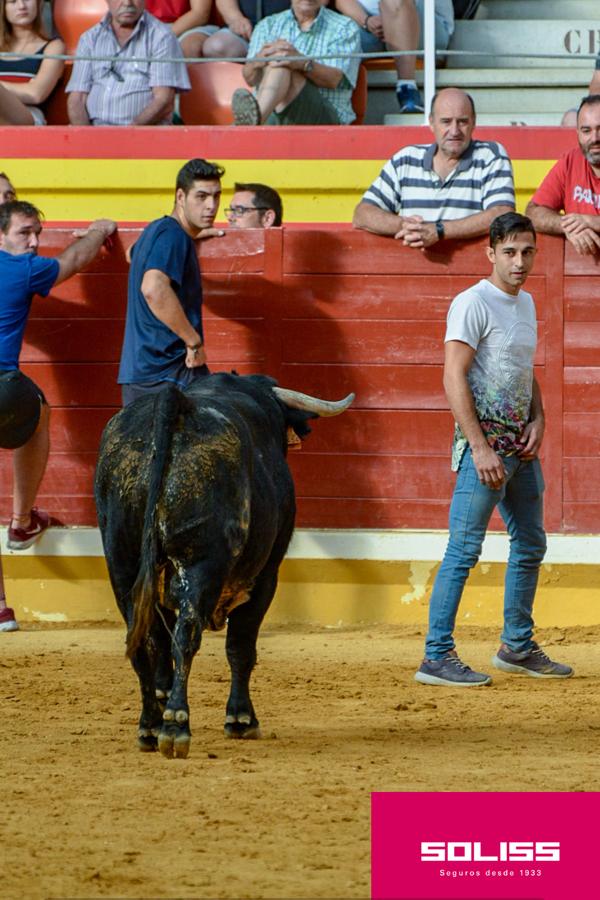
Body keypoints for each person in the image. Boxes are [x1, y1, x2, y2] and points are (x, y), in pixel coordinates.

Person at [414, 212, 573, 687]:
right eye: (509, 252)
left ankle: (516, 646)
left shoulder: (525, 303)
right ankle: (436, 656)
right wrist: (480, 448)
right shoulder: (473, 302)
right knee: (463, 550)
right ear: (491, 253)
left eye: (527, 251)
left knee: (531, 543)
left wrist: (539, 417)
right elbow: (452, 375)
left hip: (520, 451)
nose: (519, 261)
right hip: (485, 453)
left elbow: (522, 369)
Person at [0, 199, 116, 632]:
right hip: (3, 388)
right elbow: (75, 259)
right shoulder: (23, 270)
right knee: (36, 410)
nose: (32, 243)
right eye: (23, 233)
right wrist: (99, 229)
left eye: (36, 234)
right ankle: (21, 521)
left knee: (38, 409)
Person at [119, 158, 225, 407]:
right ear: (180, 196)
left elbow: (131, 254)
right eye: (201, 197)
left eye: (216, 196)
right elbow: (153, 288)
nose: (211, 206)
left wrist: (192, 236)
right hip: (170, 370)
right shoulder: (174, 235)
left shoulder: (156, 230)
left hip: (141, 374)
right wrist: (194, 341)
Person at [353, 88, 515, 247]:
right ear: (431, 123)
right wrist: (405, 225)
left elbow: (502, 213)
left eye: (462, 121)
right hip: (411, 270)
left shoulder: (490, 156)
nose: (454, 131)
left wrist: (439, 230)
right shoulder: (406, 159)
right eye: (446, 121)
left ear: (474, 122)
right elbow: (362, 214)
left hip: (472, 270)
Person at [230, 0, 361, 126]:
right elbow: (250, 79)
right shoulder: (267, 25)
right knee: (280, 63)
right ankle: (254, 122)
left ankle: (247, 127)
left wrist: (301, 63)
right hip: (273, 112)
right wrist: (257, 62)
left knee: (282, 65)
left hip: (324, 118)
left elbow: (334, 80)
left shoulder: (344, 27)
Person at [66, 0, 191, 126]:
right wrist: (84, 137)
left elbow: (163, 101)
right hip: (95, 134)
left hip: (145, 135)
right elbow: (77, 98)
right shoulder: (89, 39)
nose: (127, 3)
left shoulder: (162, 37)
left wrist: (128, 134)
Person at [334, 0, 454, 113]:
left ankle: (407, 87)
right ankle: (332, 110)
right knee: (329, 34)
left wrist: (390, 22)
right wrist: (367, 21)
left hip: (425, 27)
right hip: (369, 26)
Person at [525, 95, 600, 257]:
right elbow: (533, 212)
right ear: (577, 133)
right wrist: (567, 225)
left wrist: (591, 221)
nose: (595, 138)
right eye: (586, 130)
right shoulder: (571, 161)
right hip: (578, 271)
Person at [0, 0, 64, 126]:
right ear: (4, 8)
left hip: (29, 115)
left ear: (37, 3)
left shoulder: (54, 47)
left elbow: (35, 94)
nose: (22, 6)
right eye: (13, 1)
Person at [189, 0, 290, 63]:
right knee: (215, 46)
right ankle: (236, 94)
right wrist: (235, 18)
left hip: (287, 32)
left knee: (281, 55)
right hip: (246, 31)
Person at [143, 0, 216, 57]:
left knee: (190, 47)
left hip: (190, 26)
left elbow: (200, 14)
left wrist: (163, 37)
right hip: (150, 26)